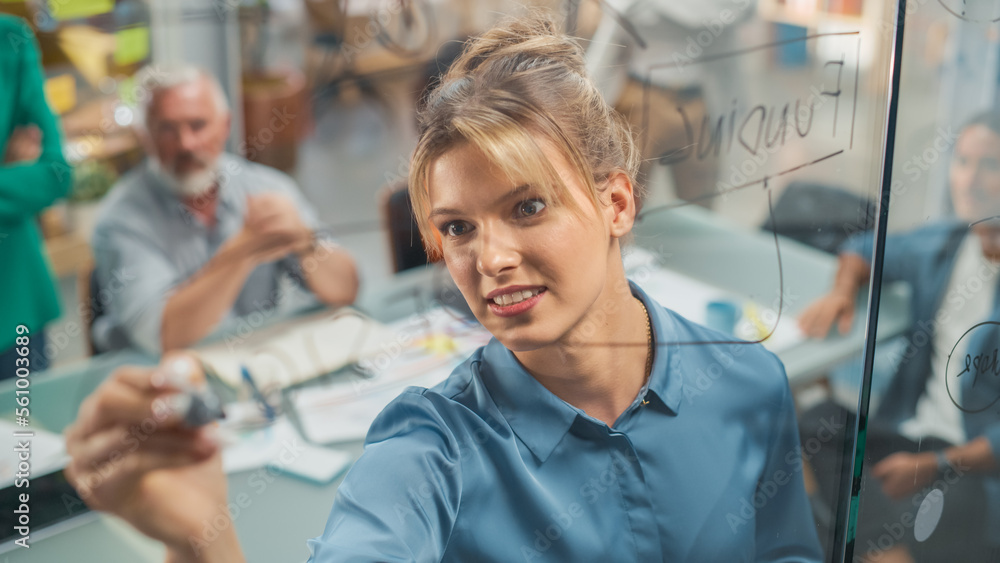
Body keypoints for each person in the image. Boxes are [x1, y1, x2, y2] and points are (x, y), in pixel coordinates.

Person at [64, 15, 821, 562]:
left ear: (617, 203)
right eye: (457, 228)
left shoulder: (750, 380)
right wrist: (204, 540)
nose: (488, 259)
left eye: (528, 207)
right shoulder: (433, 447)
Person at [798, 112, 1000, 562]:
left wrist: (931, 467)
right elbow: (863, 248)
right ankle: (885, 548)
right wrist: (841, 291)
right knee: (817, 422)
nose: (969, 179)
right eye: (963, 161)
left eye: (990, 165)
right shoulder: (947, 244)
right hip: (907, 434)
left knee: (950, 507)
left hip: (969, 464)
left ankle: (873, 544)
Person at [90, 64, 359, 354]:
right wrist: (243, 251)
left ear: (225, 125)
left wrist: (306, 242)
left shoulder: (265, 186)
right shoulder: (119, 221)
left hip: (253, 363)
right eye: (167, 129)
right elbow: (161, 336)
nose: (186, 144)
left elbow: (346, 290)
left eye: (198, 125)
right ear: (145, 137)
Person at [0, 15, 73, 379]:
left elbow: (56, 174)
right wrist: (11, 172)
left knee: (24, 434)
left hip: (13, 306)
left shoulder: (9, 40)